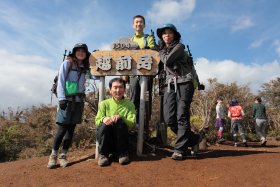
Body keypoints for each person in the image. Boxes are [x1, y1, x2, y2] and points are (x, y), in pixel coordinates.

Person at [156, 23, 200, 160]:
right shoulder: (163, 49)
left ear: (174, 35)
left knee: (182, 116)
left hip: (185, 83)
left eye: (169, 33)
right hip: (170, 85)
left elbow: (167, 60)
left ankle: (179, 149)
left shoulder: (179, 47)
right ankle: (194, 139)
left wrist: (159, 51)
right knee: (169, 118)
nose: (166, 35)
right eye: (164, 33)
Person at [47, 43, 90, 169]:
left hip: (78, 101)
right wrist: (61, 98)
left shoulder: (85, 67)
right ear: (74, 52)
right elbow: (60, 81)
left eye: (83, 51)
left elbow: (95, 76)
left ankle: (63, 155)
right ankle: (53, 155)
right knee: (62, 129)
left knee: (71, 129)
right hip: (66, 100)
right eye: (78, 51)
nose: (81, 53)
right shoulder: (67, 63)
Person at [95, 78, 136, 166]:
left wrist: (121, 117)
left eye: (121, 87)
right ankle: (103, 155)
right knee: (104, 125)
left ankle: (122, 153)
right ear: (110, 90)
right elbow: (97, 121)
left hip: (121, 139)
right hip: (107, 139)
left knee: (120, 122)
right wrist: (104, 119)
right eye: (115, 87)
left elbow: (131, 124)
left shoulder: (130, 105)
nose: (118, 90)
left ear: (124, 90)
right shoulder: (104, 103)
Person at [128, 15, 156, 126]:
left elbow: (153, 50)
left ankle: (145, 127)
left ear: (144, 25)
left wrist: (139, 51)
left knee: (145, 99)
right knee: (133, 98)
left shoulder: (148, 38)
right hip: (133, 74)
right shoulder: (129, 40)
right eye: (136, 22)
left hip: (146, 74)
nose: (138, 24)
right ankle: (132, 125)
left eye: (141, 22)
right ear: (133, 25)